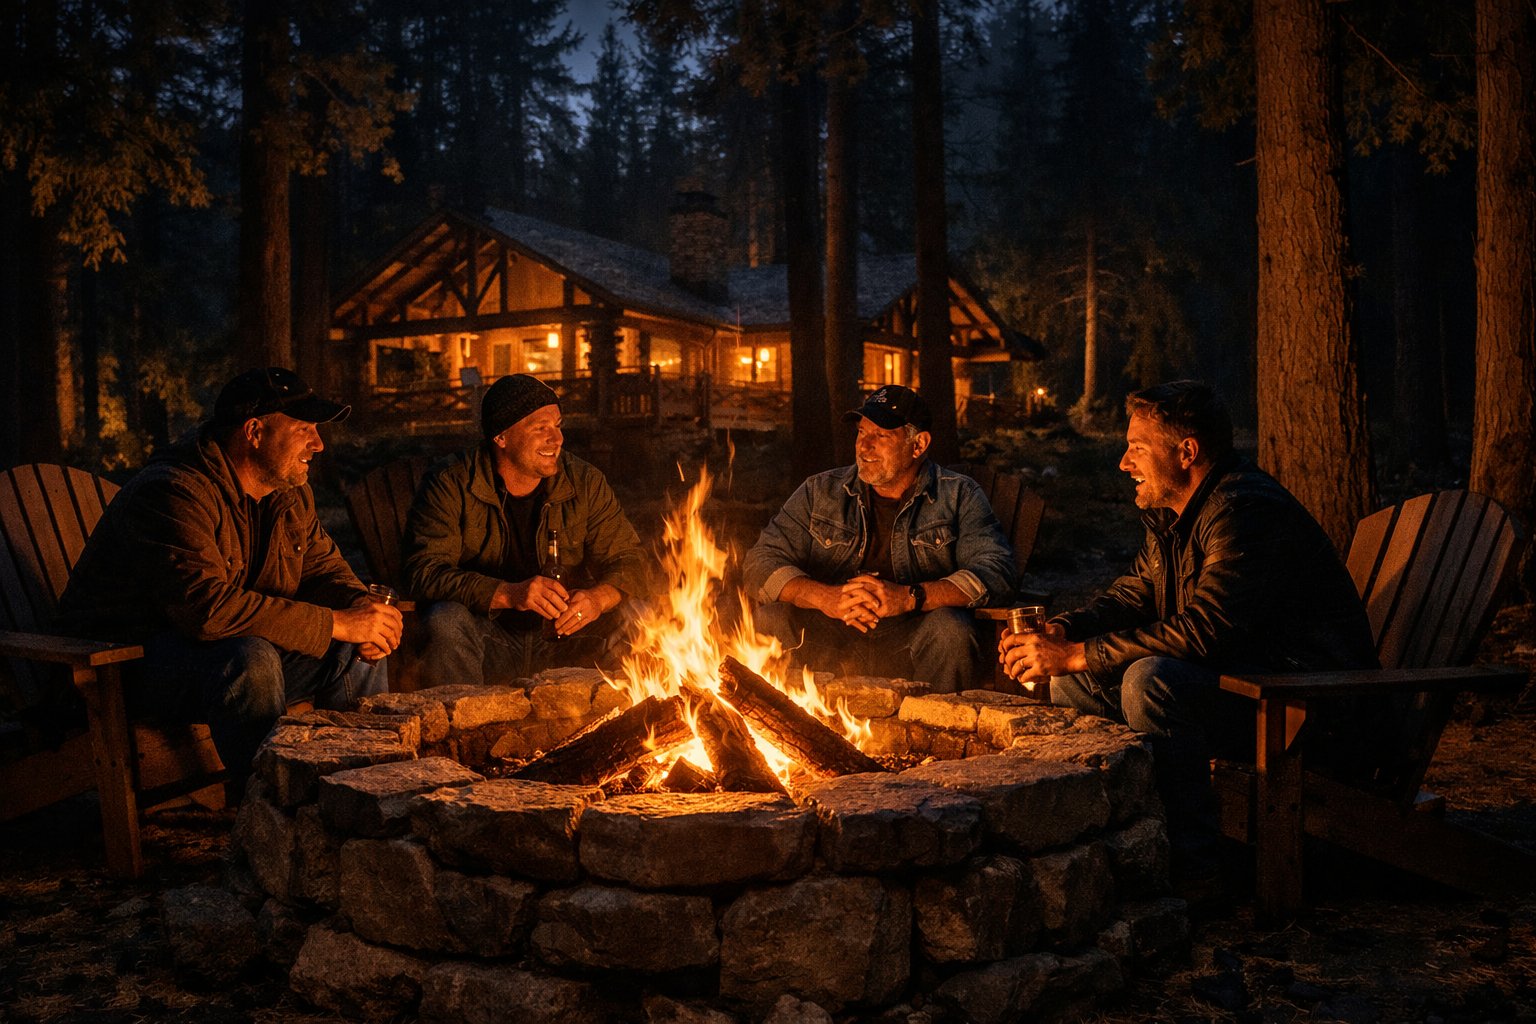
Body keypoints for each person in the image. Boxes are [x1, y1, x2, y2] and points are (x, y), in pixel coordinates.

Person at [998, 380, 1378, 882]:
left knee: (1148, 681)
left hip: (1305, 707)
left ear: (1187, 452)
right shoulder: (1175, 517)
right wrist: (1064, 630)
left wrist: (1074, 653)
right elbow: (1132, 596)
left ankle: (1192, 870)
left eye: (1136, 448)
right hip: (1250, 689)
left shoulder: (1243, 511)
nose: (1123, 463)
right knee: (1076, 681)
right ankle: (1120, 845)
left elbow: (1205, 631)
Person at [57, 367, 402, 790]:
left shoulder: (288, 494)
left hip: (228, 654)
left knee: (350, 649)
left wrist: (362, 612)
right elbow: (206, 608)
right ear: (254, 431)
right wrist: (336, 622)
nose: (319, 444)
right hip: (124, 669)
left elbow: (324, 567)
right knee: (251, 659)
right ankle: (272, 811)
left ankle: (365, 791)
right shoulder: (172, 492)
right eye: (305, 429)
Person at [742, 384, 1017, 694]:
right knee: (771, 617)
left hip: (912, 635)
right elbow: (760, 561)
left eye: (881, 436)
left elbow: (996, 571)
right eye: (861, 433)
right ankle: (777, 730)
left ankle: (939, 733)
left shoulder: (958, 495)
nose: (864, 446)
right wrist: (826, 598)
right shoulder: (819, 492)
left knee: (951, 631)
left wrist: (911, 597)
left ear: (918, 445)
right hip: (832, 633)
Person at [403, 373, 648, 686]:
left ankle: (626, 726)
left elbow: (631, 561)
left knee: (638, 616)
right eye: (540, 428)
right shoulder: (451, 482)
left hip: (565, 638)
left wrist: (598, 599)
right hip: (489, 639)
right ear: (501, 437)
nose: (556, 439)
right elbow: (422, 572)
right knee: (445, 622)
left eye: (558, 426)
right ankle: (458, 727)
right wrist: (507, 593)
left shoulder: (584, 482)